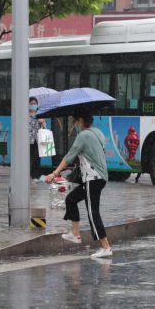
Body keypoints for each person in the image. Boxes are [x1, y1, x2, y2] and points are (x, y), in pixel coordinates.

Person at [45, 111, 113, 258]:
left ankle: (106, 247)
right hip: (99, 178)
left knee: (93, 212)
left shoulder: (83, 135)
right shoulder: (98, 133)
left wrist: (54, 173)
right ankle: (75, 234)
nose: (74, 125)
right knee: (71, 199)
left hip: (93, 178)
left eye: (75, 122)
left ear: (81, 121)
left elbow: (69, 156)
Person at [28, 97, 46, 179]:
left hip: (38, 140)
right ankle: (29, 174)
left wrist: (42, 122)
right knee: (29, 158)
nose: (33, 105)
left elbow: (44, 128)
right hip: (29, 140)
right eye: (31, 103)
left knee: (37, 158)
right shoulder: (25, 114)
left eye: (35, 103)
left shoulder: (40, 114)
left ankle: (35, 176)